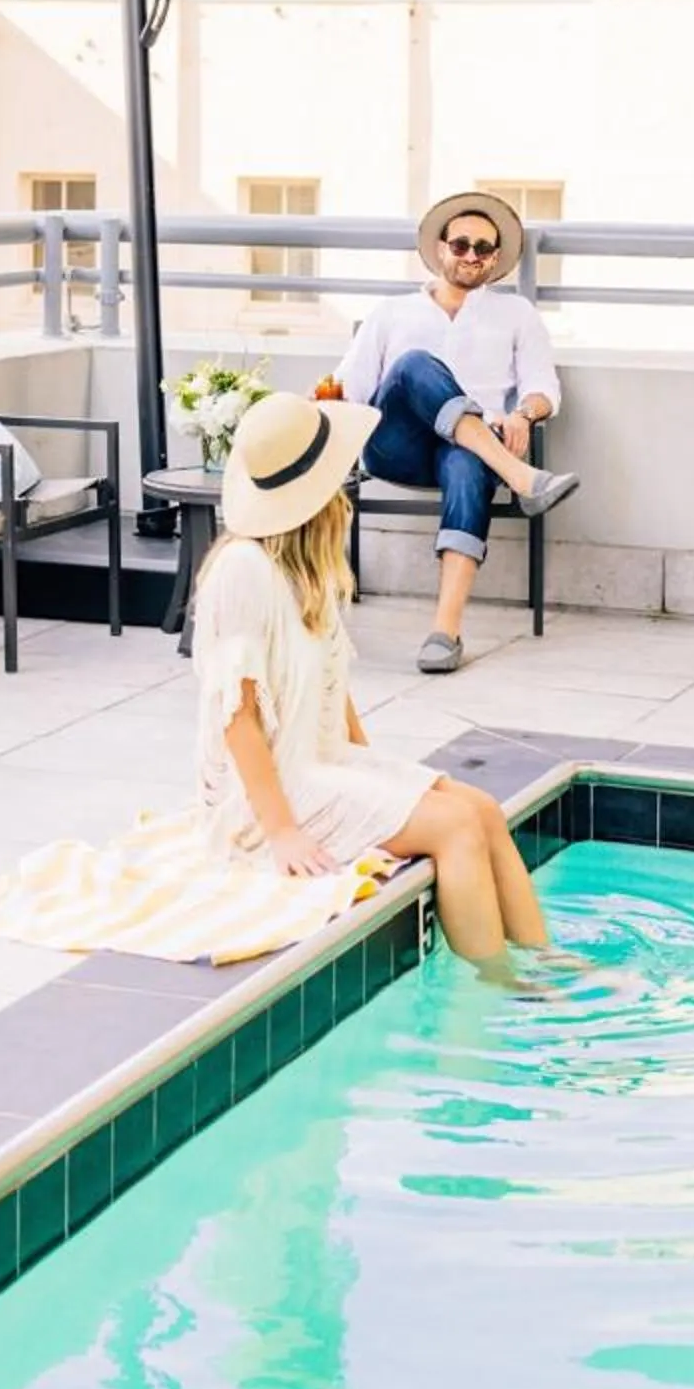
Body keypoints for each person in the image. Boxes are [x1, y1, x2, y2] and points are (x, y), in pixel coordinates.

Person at [196, 389, 552, 979]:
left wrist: (376, 775)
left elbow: (334, 686)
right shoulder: (242, 572)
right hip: (266, 798)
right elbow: (239, 717)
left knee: (483, 809)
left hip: (321, 761)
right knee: (456, 827)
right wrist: (282, 831)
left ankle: (547, 962)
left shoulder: (306, 564)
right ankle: (503, 986)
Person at [332, 186, 579, 675]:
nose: (471, 255)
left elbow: (543, 388)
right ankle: (523, 476)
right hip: (395, 445)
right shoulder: (391, 312)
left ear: (494, 258)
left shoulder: (517, 315)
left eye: (483, 248)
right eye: (461, 244)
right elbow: (349, 388)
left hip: (469, 450)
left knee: (469, 460)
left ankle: (445, 632)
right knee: (413, 365)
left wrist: (523, 414)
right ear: (441, 248)